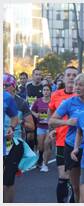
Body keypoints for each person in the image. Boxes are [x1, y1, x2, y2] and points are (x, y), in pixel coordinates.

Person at [49, 73, 84, 202]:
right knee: (75, 186)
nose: (77, 87)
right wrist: (67, 122)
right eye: (75, 84)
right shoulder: (69, 103)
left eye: (80, 85)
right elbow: (52, 121)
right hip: (71, 145)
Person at [48, 66, 79, 203]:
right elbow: (50, 114)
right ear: (64, 78)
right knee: (63, 177)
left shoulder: (81, 96)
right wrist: (51, 130)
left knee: (75, 180)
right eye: (69, 75)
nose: (71, 77)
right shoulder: (56, 95)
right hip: (61, 140)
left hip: (78, 142)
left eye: (74, 75)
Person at [3, 74, 32, 203]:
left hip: (13, 142)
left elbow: (31, 126)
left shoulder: (21, 103)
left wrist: (19, 123)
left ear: (14, 87)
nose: (3, 88)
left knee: (7, 181)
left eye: (6, 85)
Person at [31, 84, 52, 172]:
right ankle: (40, 158)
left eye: (47, 90)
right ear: (42, 91)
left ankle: (45, 164)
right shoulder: (38, 101)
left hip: (50, 127)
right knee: (40, 146)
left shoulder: (52, 101)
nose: (46, 92)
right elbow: (32, 110)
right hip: (40, 126)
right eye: (44, 90)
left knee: (47, 145)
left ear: (50, 91)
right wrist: (36, 114)